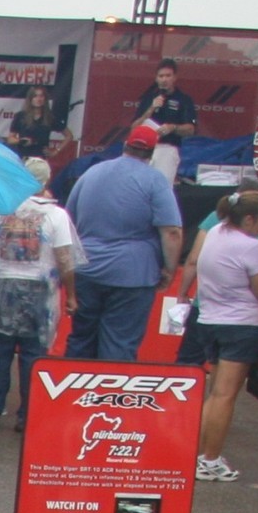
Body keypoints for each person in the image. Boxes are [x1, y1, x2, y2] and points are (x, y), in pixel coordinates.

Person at [175, 190, 258, 482]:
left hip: (209, 319)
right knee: (224, 396)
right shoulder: (250, 247)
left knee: (216, 393)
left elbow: (195, 261)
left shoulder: (217, 231)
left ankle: (196, 452)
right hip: (240, 325)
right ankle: (209, 459)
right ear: (249, 218)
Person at [0, 156, 76, 432]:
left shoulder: (3, 211)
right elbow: (65, 258)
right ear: (46, 181)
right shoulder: (56, 215)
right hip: (39, 290)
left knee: (0, 350)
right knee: (33, 353)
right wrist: (71, 295)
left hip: (4, 286)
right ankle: (26, 414)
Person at [63, 121, 182, 361]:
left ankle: (72, 395)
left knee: (81, 339)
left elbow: (68, 222)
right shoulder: (154, 180)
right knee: (119, 344)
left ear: (125, 145)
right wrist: (169, 269)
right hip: (133, 275)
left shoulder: (91, 173)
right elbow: (172, 232)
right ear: (151, 153)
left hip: (87, 268)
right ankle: (109, 396)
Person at [131, 57, 199, 183]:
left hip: (167, 148)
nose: (164, 79)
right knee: (139, 185)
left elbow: (190, 129)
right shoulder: (149, 98)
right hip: (144, 149)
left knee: (162, 185)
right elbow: (134, 128)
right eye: (161, 76)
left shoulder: (183, 99)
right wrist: (151, 108)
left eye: (168, 76)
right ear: (156, 78)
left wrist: (172, 128)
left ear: (174, 77)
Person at [5, 85, 71, 162]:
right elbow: (10, 139)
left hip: (40, 159)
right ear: (30, 99)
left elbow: (69, 135)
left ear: (45, 99)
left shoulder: (50, 117)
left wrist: (56, 151)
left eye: (41, 96)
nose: (38, 99)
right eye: (35, 96)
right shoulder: (20, 116)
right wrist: (21, 141)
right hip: (23, 158)